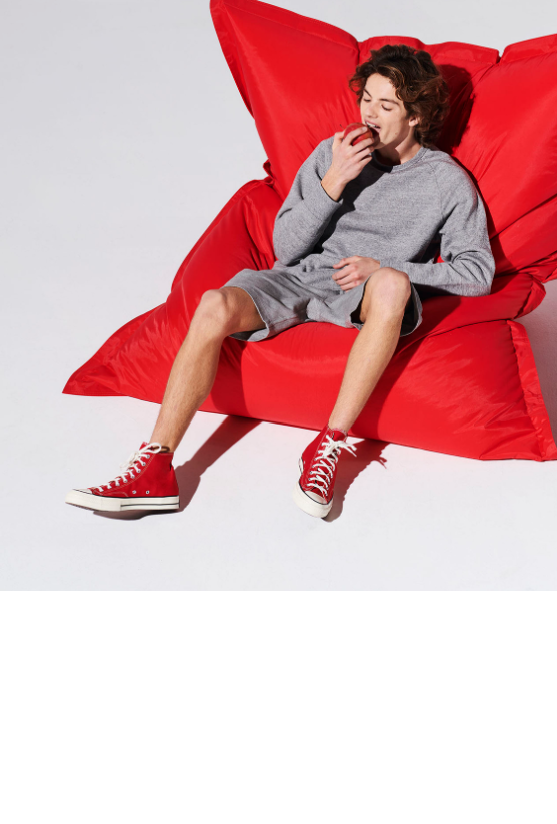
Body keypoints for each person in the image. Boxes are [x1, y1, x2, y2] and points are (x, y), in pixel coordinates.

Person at [66, 44, 495, 518]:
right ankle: (155, 466)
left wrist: (384, 267)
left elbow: (477, 273)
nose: (369, 114)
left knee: (393, 285)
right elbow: (286, 249)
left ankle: (327, 446)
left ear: (416, 116)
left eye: (386, 106)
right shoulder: (334, 153)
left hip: (366, 291)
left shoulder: (446, 181)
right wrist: (333, 181)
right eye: (366, 99)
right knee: (212, 303)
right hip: (303, 278)